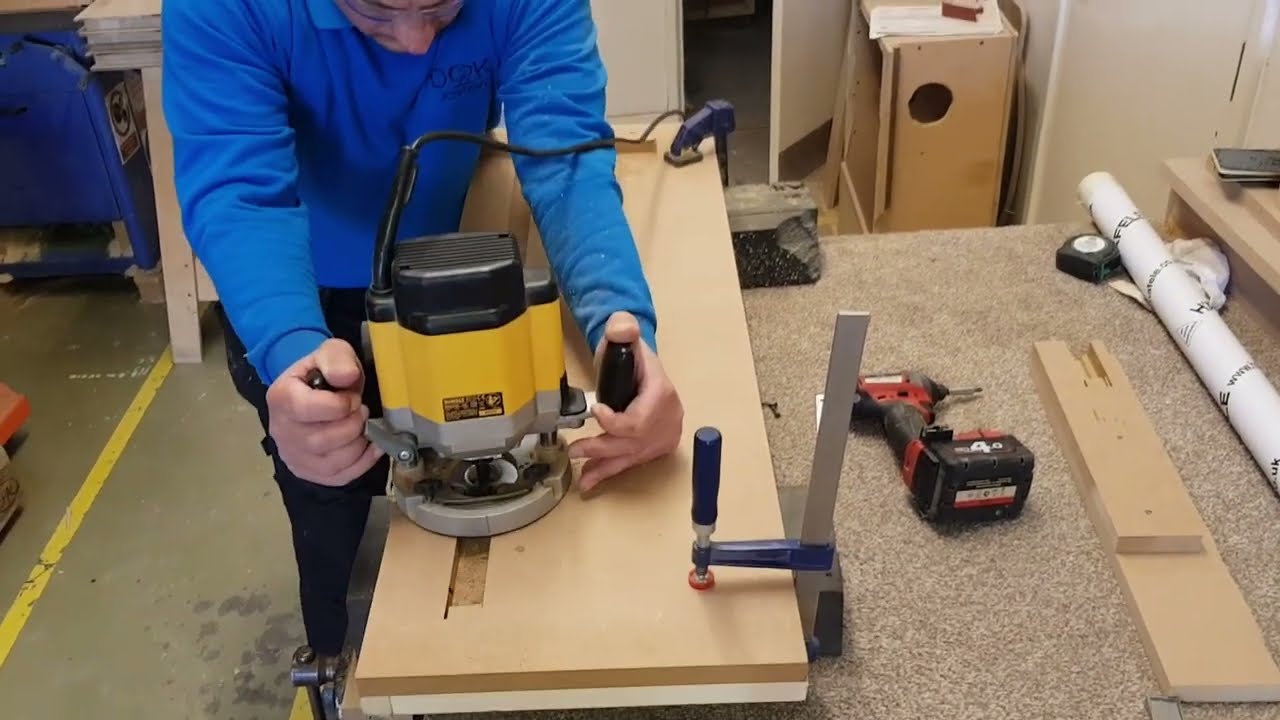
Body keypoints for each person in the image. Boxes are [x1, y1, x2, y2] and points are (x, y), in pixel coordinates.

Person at [160, 0, 685, 657]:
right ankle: (336, 663)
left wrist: (620, 322)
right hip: (299, 297)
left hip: (444, 257)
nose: (413, 42)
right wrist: (290, 345)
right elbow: (240, 192)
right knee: (335, 505)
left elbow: (564, 154)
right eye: (377, 14)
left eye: (442, 8)